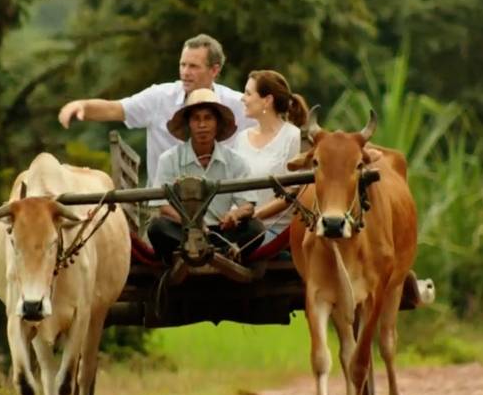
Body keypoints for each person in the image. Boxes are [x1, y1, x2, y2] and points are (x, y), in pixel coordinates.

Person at [57, 34, 251, 182]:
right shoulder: (159, 97)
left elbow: (272, 120)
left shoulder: (237, 103)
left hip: (222, 206)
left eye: (193, 66)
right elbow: (115, 109)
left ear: (214, 70)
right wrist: (81, 105)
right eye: (182, 65)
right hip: (164, 205)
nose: (185, 72)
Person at [144, 89, 264, 261]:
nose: (202, 125)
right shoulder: (169, 159)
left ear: (217, 123)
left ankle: (220, 254)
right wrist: (192, 225)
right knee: (157, 228)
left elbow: (248, 205)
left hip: (222, 233)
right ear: (188, 124)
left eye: (208, 118)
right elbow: (163, 206)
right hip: (183, 230)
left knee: (256, 228)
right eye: (196, 119)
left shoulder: (236, 161)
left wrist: (234, 215)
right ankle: (203, 254)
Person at [230, 70, 309, 246]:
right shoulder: (241, 138)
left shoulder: (293, 138)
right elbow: (233, 188)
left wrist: (252, 215)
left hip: (274, 232)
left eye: (248, 93)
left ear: (267, 100)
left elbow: (291, 193)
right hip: (239, 227)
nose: (243, 98)